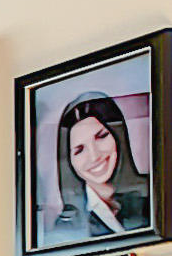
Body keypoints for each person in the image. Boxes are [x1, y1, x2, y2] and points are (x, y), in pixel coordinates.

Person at [53, 94, 151, 242]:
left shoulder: (155, 195)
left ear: (118, 135)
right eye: (79, 150)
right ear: (69, 161)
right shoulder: (66, 227)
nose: (94, 156)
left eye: (102, 136)